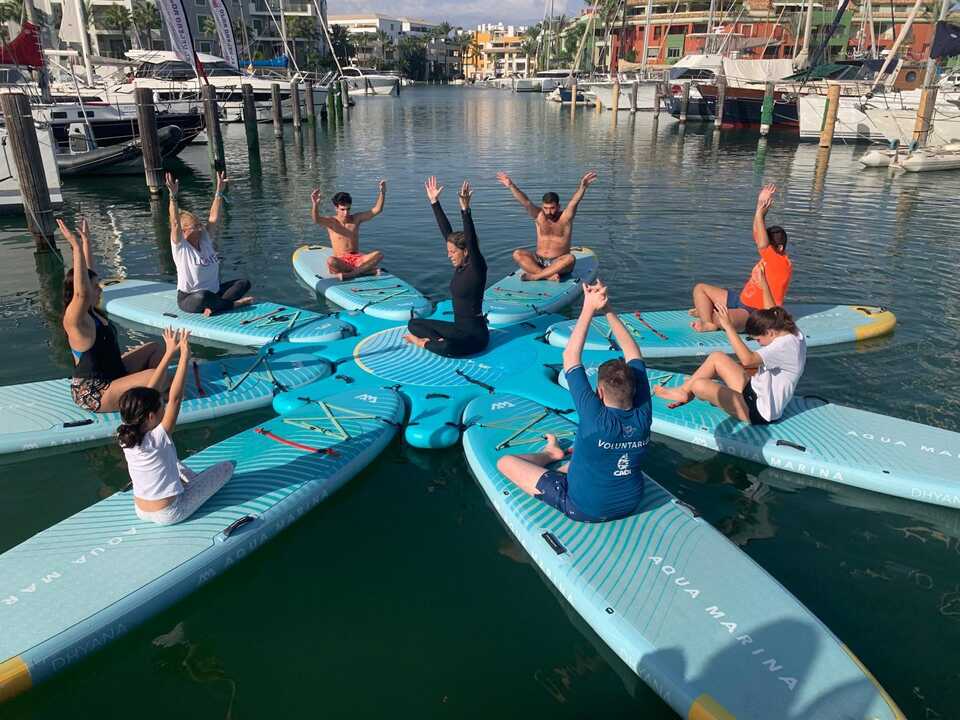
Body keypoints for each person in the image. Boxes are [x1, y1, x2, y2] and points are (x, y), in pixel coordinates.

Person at [496, 281, 652, 522]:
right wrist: (607, 309)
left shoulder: (594, 415)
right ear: (635, 389)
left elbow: (570, 356)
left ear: (599, 392)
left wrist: (590, 307)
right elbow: (633, 352)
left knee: (506, 462)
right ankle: (563, 463)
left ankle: (550, 454)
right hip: (631, 502)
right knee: (588, 451)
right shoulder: (644, 412)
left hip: (584, 509)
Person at [118, 328, 235, 525]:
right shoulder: (159, 436)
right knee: (228, 467)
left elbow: (147, 392)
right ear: (152, 415)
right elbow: (175, 398)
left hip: (141, 509)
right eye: (160, 406)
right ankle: (192, 481)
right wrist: (184, 357)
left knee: (175, 462)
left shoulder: (124, 432)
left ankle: (187, 479)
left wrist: (169, 352)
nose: (164, 407)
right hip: (170, 512)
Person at [60, 217, 168, 413]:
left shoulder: (93, 310)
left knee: (154, 349)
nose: (100, 288)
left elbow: (89, 275)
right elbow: (81, 292)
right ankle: (154, 399)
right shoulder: (77, 321)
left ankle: (155, 392)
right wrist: (75, 248)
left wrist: (86, 243)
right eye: (95, 287)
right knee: (156, 375)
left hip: (113, 375)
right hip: (94, 393)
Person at [654, 304, 806, 425]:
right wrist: (763, 281)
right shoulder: (791, 331)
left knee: (699, 385)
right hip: (753, 389)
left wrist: (728, 327)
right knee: (717, 357)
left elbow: (748, 359)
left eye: (758, 339)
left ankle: (701, 391)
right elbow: (772, 308)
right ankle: (683, 392)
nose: (758, 343)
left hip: (759, 411)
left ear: (771, 332)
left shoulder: (783, 346)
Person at [403, 176, 489, 357]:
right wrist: (434, 202)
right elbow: (447, 232)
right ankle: (437, 341)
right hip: (458, 329)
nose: (448, 255)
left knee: (447, 348)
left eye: (452, 252)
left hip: (475, 337)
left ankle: (424, 343)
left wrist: (465, 210)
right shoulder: (460, 266)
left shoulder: (476, 268)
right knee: (414, 324)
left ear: (465, 251)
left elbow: (471, 240)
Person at [690, 183, 792, 333]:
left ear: (780, 248)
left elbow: (763, 243)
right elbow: (760, 237)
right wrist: (760, 206)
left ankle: (710, 319)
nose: (762, 245)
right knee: (700, 289)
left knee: (720, 319)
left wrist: (759, 213)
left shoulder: (780, 263)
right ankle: (707, 319)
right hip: (740, 301)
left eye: (770, 245)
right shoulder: (770, 256)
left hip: (755, 312)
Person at [167, 172, 254, 317]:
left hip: (216, 293)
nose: (200, 228)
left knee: (243, 283)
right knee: (202, 296)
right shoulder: (180, 247)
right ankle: (232, 304)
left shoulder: (205, 239)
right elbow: (175, 222)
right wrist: (173, 197)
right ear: (183, 231)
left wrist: (219, 192)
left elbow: (214, 217)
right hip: (190, 298)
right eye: (195, 226)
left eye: (199, 225)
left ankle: (216, 306)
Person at [495, 170, 598, 281]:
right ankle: (548, 276)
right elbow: (526, 202)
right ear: (542, 207)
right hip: (539, 261)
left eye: (552, 208)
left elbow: (574, 202)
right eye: (546, 208)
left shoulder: (565, 218)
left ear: (558, 206)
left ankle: (536, 276)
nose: (549, 212)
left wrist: (583, 187)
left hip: (559, 263)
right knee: (517, 254)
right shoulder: (539, 216)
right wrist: (511, 185)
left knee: (570, 258)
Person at [310, 181, 386, 280]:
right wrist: (315, 204)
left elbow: (377, 210)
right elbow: (316, 219)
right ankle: (364, 271)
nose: (346, 213)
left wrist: (382, 193)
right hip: (341, 261)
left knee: (379, 254)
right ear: (336, 208)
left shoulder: (356, 219)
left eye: (348, 209)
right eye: (342, 209)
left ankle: (352, 274)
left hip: (357, 259)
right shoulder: (331, 222)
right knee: (331, 261)